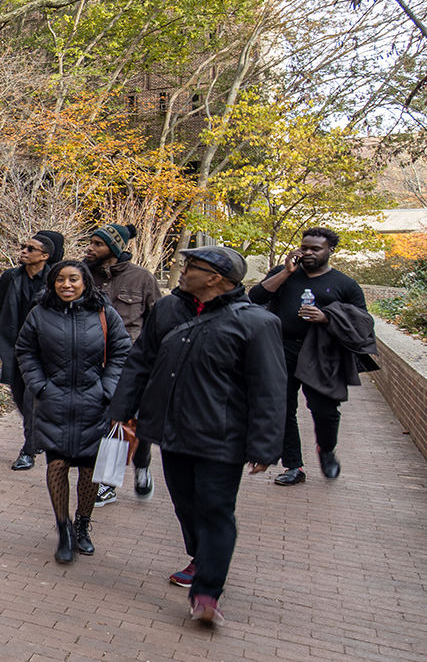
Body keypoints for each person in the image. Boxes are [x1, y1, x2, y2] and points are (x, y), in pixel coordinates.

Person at [106, 245, 285, 627]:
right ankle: (200, 557)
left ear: (216, 278)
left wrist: (266, 445)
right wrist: (122, 409)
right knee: (186, 506)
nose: (182, 270)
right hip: (172, 430)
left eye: (192, 266)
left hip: (222, 437)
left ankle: (206, 592)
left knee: (216, 510)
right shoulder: (169, 309)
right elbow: (142, 360)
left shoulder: (256, 323)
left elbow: (269, 387)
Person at [16, 260, 130, 564]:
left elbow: (122, 350)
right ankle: (63, 529)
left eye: (74, 279)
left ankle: (82, 525)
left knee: (89, 469)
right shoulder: (40, 314)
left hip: (94, 403)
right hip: (54, 402)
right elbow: (25, 350)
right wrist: (40, 386)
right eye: (60, 280)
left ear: (85, 282)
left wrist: (107, 388)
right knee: (57, 464)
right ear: (52, 283)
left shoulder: (104, 313)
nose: (67, 285)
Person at [248, 228, 373, 484]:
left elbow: (363, 321)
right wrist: (285, 273)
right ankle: (294, 466)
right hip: (281, 348)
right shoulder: (285, 274)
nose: (307, 253)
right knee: (282, 409)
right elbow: (255, 297)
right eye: (304, 247)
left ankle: (326, 450)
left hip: (321, 353)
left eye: (315, 249)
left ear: (330, 251)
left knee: (325, 410)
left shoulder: (345, 284)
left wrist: (327, 317)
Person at [83, 223, 162, 503]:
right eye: (90, 242)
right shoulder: (81, 275)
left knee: (128, 421)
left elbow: (158, 322)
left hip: (131, 364)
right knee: (102, 421)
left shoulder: (142, 278)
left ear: (114, 249)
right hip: (90, 360)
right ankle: (107, 481)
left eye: (97, 244)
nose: (90, 248)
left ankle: (141, 464)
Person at [0, 230, 65, 471]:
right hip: (13, 348)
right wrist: (0, 337)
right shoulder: (10, 277)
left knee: (31, 399)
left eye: (30, 249)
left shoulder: (55, 280)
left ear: (44, 256)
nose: (23, 251)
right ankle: (37, 435)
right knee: (20, 399)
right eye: (24, 246)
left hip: (41, 352)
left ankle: (28, 450)